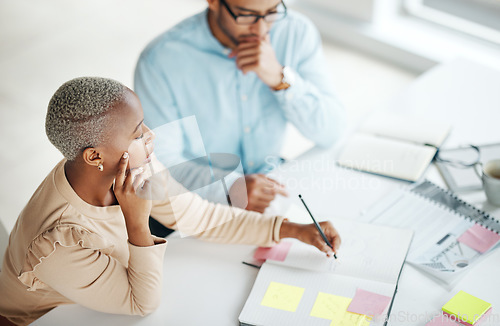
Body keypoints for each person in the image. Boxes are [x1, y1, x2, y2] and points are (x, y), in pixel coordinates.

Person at [0, 77, 341, 325]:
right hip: (47, 318)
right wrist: (137, 221)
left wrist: (292, 229)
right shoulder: (58, 243)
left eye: (143, 125)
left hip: (93, 298)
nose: (150, 136)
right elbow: (141, 303)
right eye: (137, 133)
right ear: (93, 156)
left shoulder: (129, 166)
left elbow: (203, 218)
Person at [134, 0, 345, 213]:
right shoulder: (159, 60)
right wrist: (230, 187)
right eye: (246, 15)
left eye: (271, 12)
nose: (261, 30)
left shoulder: (296, 32)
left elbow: (332, 130)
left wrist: (280, 78)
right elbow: (159, 164)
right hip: (198, 203)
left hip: (272, 182)